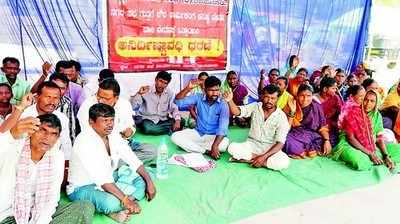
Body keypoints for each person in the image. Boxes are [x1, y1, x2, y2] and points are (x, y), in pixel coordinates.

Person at [68, 103, 156, 223]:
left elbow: (131, 158)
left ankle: (120, 205)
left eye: (112, 120)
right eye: (105, 120)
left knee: (145, 177)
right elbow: (102, 179)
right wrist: (125, 199)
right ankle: (116, 208)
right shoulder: (84, 142)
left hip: (110, 179)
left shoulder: (113, 134)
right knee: (111, 203)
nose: (110, 124)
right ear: (91, 122)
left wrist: (149, 182)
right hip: (83, 188)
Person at [0, 114, 95, 224]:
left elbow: (52, 198)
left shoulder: (57, 156)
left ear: (57, 138)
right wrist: (12, 134)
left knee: (85, 207)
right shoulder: (14, 149)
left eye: (53, 134)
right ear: (32, 131)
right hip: (9, 216)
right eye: (43, 130)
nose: (47, 137)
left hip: (39, 211)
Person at [78, 78, 157, 163]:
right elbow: (88, 134)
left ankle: (116, 163)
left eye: (106, 98)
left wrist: (129, 131)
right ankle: (120, 162)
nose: (101, 101)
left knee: (152, 151)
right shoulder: (87, 106)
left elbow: (130, 125)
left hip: (122, 143)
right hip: (99, 147)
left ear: (116, 98)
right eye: (99, 96)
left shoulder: (124, 104)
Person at [225, 84, 291, 170]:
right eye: (267, 97)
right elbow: (237, 112)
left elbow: (280, 143)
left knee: (284, 162)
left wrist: (264, 156)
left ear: (277, 99)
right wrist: (229, 100)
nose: (269, 101)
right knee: (232, 148)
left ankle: (250, 160)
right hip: (252, 145)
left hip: (269, 148)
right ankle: (259, 161)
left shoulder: (281, 116)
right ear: (262, 96)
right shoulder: (255, 106)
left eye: (273, 98)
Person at [333, 88, 400, 171]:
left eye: (372, 101)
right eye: (366, 100)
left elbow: (379, 138)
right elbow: (350, 138)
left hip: (371, 145)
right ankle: (370, 157)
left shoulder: (377, 116)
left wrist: (386, 156)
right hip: (350, 144)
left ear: (377, 103)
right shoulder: (353, 112)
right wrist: (370, 154)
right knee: (361, 162)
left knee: (398, 150)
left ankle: (378, 158)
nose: (368, 104)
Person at [172, 76, 230, 160]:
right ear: (204, 90)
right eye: (211, 90)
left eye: (217, 90)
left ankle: (193, 147)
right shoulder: (198, 97)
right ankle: (205, 151)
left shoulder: (223, 103)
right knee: (175, 136)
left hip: (214, 136)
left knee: (224, 145)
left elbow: (223, 128)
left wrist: (215, 145)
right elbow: (177, 102)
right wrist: (187, 89)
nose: (215, 93)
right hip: (199, 133)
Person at [20, 81, 72, 160]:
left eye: (56, 98)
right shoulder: (24, 117)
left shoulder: (62, 118)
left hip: (52, 163)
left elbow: (66, 146)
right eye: (48, 97)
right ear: (37, 97)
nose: (52, 102)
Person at [284, 84, 331, 158]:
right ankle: (304, 151)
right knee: (286, 141)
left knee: (328, 140)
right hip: (295, 135)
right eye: (302, 95)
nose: (305, 99)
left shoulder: (317, 107)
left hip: (312, 135)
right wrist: (292, 111)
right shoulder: (290, 105)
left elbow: (323, 127)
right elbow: (286, 128)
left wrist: (326, 141)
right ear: (297, 96)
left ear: (312, 96)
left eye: (308, 96)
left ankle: (305, 150)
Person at [131, 71, 181, 135]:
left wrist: (177, 121)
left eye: (165, 83)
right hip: (147, 119)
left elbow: (173, 108)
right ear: (156, 80)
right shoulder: (146, 90)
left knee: (181, 121)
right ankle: (169, 130)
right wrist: (139, 94)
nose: (162, 85)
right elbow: (133, 106)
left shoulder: (169, 93)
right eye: (160, 81)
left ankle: (160, 129)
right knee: (147, 128)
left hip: (163, 120)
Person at [313, 77, 343, 147]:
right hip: (318, 126)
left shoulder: (335, 97)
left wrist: (337, 123)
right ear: (325, 89)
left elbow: (341, 112)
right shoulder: (313, 99)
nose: (335, 90)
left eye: (336, 88)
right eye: (333, 88)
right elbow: (314, 120)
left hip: (332, 125)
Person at [49, 72, 76, 143]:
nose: (58, 91)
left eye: (62, 88)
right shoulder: (37, 99)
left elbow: (70, 127)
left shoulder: (67, 102)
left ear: (67, 89)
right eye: (55, 87)